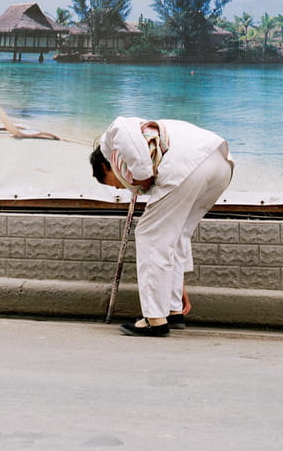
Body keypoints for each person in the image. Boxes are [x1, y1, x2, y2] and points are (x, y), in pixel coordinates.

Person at [90, 117, 234, 337]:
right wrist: (176, 285)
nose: (122, 187)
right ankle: (172, 309)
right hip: (219, 162)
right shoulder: (149, 139)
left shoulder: (109, 144)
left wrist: (142, 174)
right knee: (175, 234)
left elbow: (120, 125)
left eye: (115, 183)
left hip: (186, 163)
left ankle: (155, 319)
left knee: (150, 234)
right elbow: (173, 244)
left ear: (104, 165)